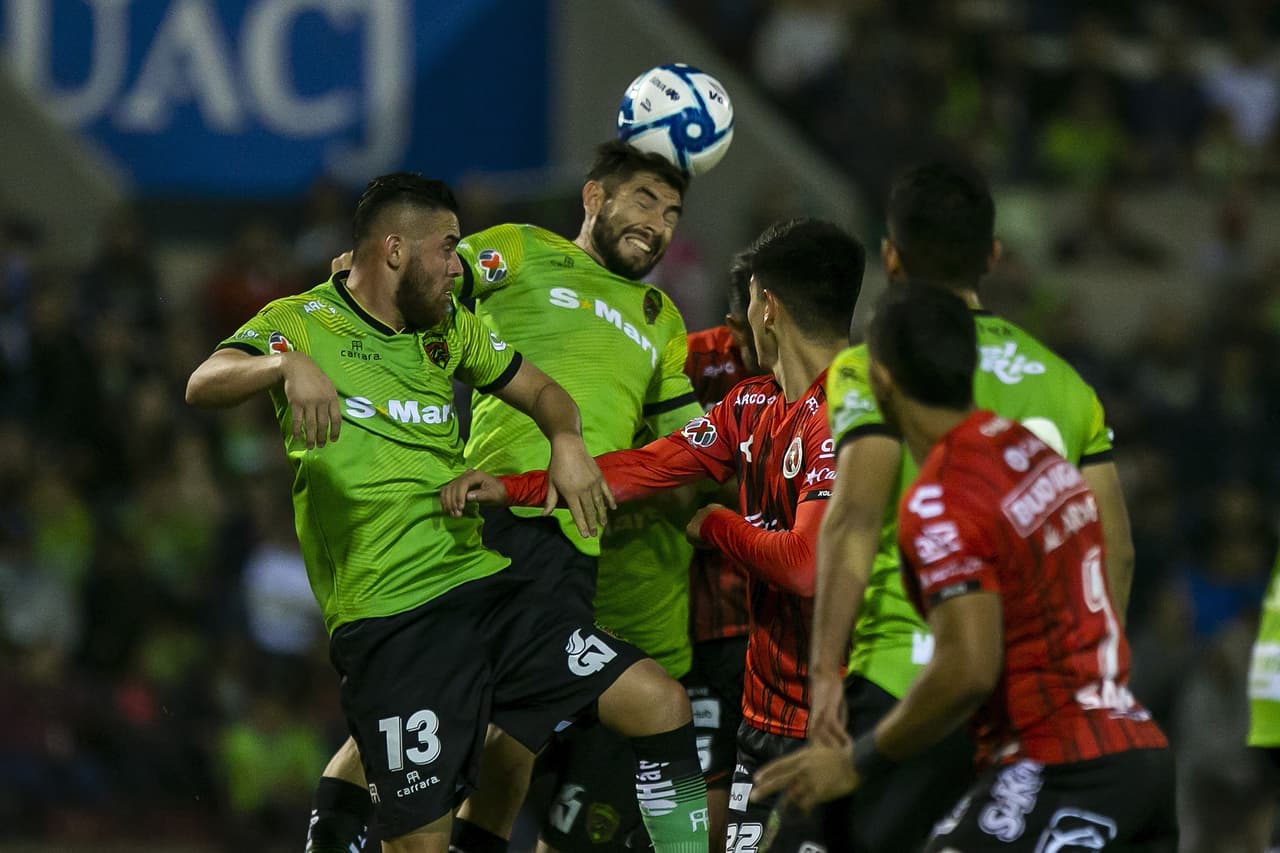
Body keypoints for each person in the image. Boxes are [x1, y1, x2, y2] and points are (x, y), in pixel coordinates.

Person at [186, 173, 706, 853]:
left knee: (661, 705)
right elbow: (204, 381)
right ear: (396, 251)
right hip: (395, 622)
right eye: (448, 249)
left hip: (483, 586)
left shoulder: (448, 332)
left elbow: (546, 393)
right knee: (423, 842)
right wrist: (281, 367)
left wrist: (568, 442)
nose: (458, 267)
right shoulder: (301, 322)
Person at [446, 217, 867, 853]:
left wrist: (716, 524)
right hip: (768, 712)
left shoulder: (852, 410)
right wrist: (519, 487)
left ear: (767, 306)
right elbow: (644, 467)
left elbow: (808, 564)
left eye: (750, 302)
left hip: (848, 717)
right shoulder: (753, 405)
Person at [754, 281, 1176, 851]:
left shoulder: (941, 500)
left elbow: (969, 669)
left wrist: (857, 760)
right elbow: (1110, 559)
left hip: (1061, 764)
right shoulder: (1030, 455)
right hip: (1134, 748)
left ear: (879, 378)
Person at [806, 159, 1138, 850]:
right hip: (1025, 711)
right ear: (991, 255)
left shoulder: (871, 365)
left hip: (903, 683)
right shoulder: (1067, 384)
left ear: (891, 258)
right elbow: (1118, 552)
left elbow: (855, 519)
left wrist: (821, 671)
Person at [681, 251, 763, 851]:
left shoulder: (835, 375)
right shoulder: (686, 361)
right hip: (707, 624)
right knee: (713, 812)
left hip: (795, 628)